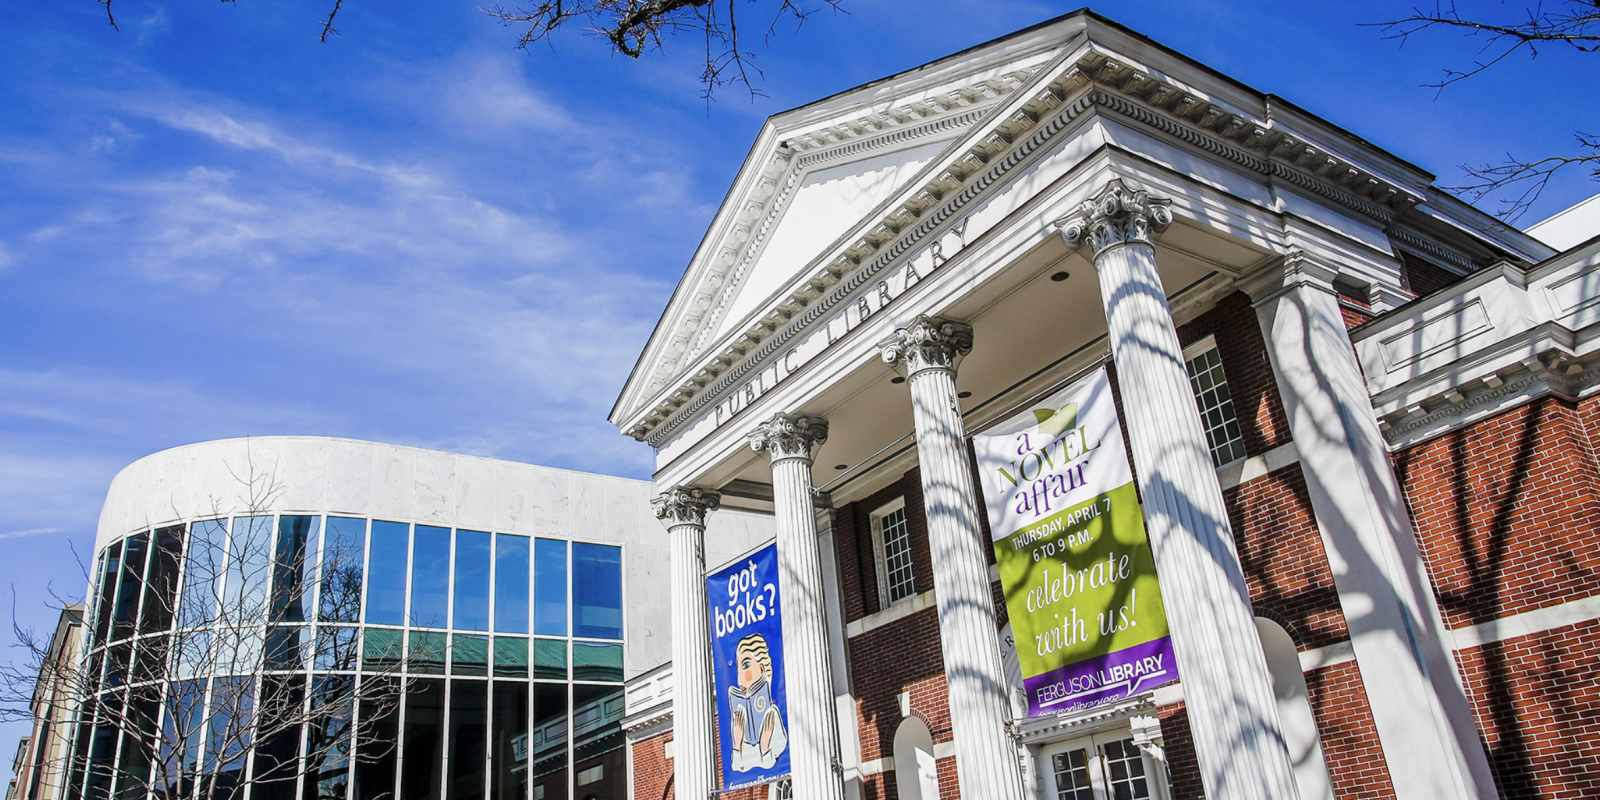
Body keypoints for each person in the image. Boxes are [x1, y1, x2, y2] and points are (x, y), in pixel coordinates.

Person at [728, 633, 787, 771]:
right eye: (738, 669)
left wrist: (765, 746)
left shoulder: (773, 715)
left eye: (746, 665)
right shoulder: (738, 720)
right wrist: (737, 744)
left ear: (761, 668)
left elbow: (777, 760)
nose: (740, 679)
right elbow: (736, 767)